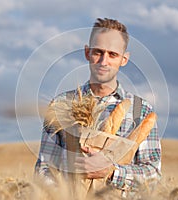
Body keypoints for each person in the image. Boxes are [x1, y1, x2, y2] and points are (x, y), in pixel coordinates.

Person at [34, 18, 161, 197]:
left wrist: (111, 172)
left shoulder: (141, 111)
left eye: (112, 55)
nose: (104, 61)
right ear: (87, 52)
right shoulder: (61, 105)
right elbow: (44, 169)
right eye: (98, 52)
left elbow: (153, 176)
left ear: (124, 59)